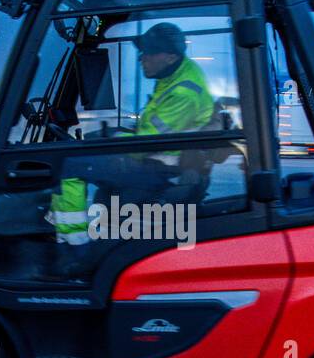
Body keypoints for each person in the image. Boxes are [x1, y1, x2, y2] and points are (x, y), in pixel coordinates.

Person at [47, 22, 215, 260]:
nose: (141, 58)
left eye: (148, 53)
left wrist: (112, 140)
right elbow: (149, 131)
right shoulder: (175, 75)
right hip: (156, 159)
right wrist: (109, 137)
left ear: (169, 56)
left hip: (159, 168)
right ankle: (98, 243)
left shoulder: (183, 93)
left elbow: (144, 146)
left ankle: (75, 248)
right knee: (90, 150)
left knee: (69, 167)